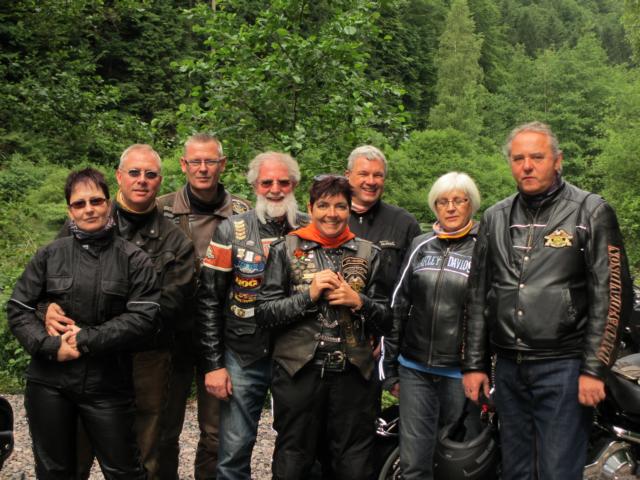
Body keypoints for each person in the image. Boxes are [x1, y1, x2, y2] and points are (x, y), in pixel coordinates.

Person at [462, 122, 634, 480]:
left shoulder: (590, 211)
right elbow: (477, 295)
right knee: (516, 470)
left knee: (558, 471)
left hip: (564, 366)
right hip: (508, 367)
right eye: (518, 158)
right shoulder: (494, 217)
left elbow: (612, 295)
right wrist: (474, 363)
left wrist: (594, 369)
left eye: (537, 157)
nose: (527, 166)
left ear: (558, 160)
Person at [43, 145, 196, 479]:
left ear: (160, 180)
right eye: (134, 172)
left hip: (146, 356)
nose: (142, 180)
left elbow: (170, 305)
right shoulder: (84, 219)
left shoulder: (176, 241)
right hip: (86, 354)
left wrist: (106, 328)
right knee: (76, 445)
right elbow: (48, 280)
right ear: (119, 176)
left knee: (145, 450)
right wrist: (46, 308)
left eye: (150, 174)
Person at [7, 168, 160, 479]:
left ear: (108, 204)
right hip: (49, 382)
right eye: (79, 203)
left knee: (124, 471)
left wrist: (86, 339)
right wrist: (50, 346)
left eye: (96, 201)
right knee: (54, 470)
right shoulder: (49, 254)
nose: (89, 209)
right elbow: (19, 308)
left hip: (107, 383)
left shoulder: (134, 259)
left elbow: (144, 317)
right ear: (70, 211)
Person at [256, 175, 391, 480]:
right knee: (293, 463)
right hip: (298, 373)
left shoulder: (370, 253)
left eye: (340, 206)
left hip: (354, 376)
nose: (332, 213)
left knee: (354, 466)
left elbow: (388, 320)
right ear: (310, 208)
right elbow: (264, 314)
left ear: (349, 209)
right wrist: (309, 296)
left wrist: (360, 302)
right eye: (324, 205)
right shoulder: (285, 249)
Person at [196, 151, 306, 480]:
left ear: (294, 184)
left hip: (297, 355)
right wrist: (214, 365)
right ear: (255, 185)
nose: (275, 189)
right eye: (266, 182)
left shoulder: (311, 228)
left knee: (299, 448)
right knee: (234, 450)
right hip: (243, 352)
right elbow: (209, 299)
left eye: (283, 182)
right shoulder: (230, 230)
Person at [156, 133, 250, 479]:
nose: (203, 168)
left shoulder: (243, 212)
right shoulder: (161, 209)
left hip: (222, 336)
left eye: (210, 161)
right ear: (184, 165)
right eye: (195, 161)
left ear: (222, 164)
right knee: (163, 429)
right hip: (170, 334)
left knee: (216, 433)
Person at [381, 172, 482, 479]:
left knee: (458, 463)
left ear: (471, 204)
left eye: (458, 200)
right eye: (442, 201)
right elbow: (398, 305)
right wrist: (390, 368)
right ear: (434, 206)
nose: (450, 207)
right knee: (414, 461)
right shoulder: (420, 244)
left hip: (462, 374)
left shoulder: (485, 246)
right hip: (415, 370)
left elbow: (493, 312)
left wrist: (486, 371)